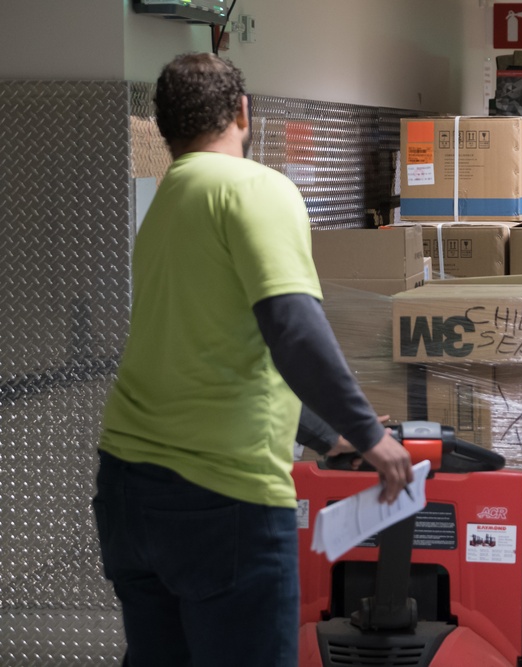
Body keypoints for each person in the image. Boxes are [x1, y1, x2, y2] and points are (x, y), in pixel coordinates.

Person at [93, 53, 414, 666]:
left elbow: (223, 349)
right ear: (243, 112)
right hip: (219, 500)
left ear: (165, 128)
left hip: (128, 495)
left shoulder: (166, 203)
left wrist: (327, 435)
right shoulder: (256, 188)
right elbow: (292, 328)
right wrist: (374, 437)